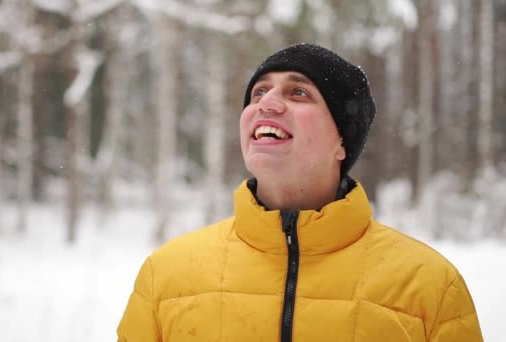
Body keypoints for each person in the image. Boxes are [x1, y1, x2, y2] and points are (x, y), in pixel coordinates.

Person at [117, 43, 483, 341]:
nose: (268, 103)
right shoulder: (166, 277)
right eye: (259, 91)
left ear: (342, 139)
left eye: (298, 92)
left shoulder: (428, 287)